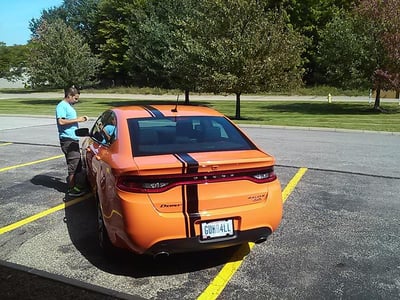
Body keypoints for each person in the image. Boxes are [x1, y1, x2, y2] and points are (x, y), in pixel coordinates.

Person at [56, 86, 89, 197]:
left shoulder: (67, 106)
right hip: (68, 140)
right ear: (69, 96)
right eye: (75, 98)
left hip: (72, 139)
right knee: (74, 165)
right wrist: (78, 120)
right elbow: (61, 121)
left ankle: (76, 186)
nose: (76, 100)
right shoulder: (61, 106)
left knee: (76, 164)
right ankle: (72, 189)